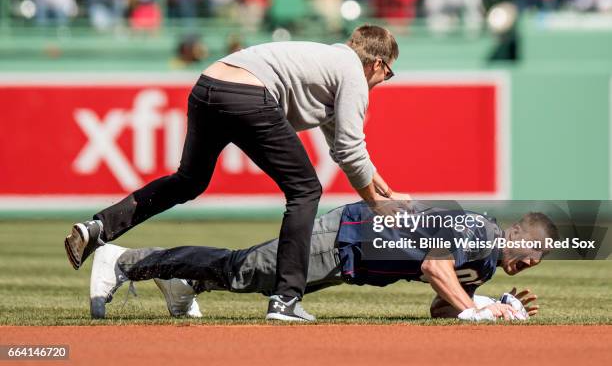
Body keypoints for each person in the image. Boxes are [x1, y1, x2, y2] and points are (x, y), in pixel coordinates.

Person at [65, 24, 409, 322]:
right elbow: (350, 151)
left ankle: (99, 227)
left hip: (207, 85)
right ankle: (286, 299)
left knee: (190, 181)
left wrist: (386, 194)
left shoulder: (329, 61)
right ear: (377, 63)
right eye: (388, 73)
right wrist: (377, 207)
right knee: (305, 191)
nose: (383, 80)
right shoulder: (353, 73)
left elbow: (346, 150)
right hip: (249, 94)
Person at [88, 200, 555, 321]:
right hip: (345, 239)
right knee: (243, 268)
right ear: (516, 231)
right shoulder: (477, 230)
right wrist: (476, 311)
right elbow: (435, 268)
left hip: (350, 263)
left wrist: (495, 301)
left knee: (247, 278)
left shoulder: (489, 261)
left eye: (538, 261)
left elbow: (440, 306)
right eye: (531, 248)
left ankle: (187, 284)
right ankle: (126, 259)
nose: (530, 261)